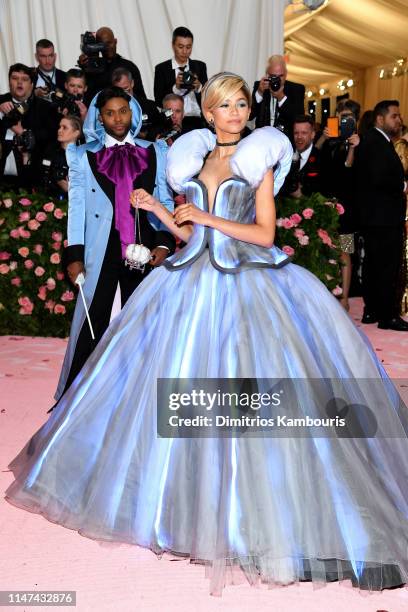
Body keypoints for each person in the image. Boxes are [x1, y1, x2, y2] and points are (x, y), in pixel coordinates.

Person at [5, 73, 408, 596]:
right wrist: (160, 214)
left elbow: (265, 234)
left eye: (243, 103)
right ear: (210, 113)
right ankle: (180, 505)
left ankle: (260, 514)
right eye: (226, 105)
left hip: (249, 283)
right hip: (190, 281)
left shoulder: (258, 159)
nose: (236, 112)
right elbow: (192, 233)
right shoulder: (190, 160)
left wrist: (208, 219)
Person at [53, 87, 176, 401]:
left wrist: (163, 244)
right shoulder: (83, 155)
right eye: (110, 112)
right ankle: (77, 397)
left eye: (124, 110)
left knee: (145, 321)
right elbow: (77, 207)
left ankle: (143, 395)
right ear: (99, 116)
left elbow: (165, 200)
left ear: (133, 112)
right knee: (93, 319)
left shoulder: (155, 151)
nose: (118, 118)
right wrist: (74, 254)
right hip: (102, 248)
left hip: (145, 249)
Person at [356, 99, 408, 330]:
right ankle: (388, 315)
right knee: (386, 266)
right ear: (380, 118)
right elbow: (379, 178)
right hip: (384, 217)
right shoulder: (377, 142)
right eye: (394, 116)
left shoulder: (376, 141)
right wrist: (402, 186)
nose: (399, 120)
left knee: (374, 264)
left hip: (375, 216)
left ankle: (373, 310)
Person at [318, 99, 361, 312]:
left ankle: (344, 297)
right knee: (326, 250)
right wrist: (323, 138)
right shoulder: (329, 142)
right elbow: (313, 158)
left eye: (348, 118)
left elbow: (349, 168)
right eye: (341, 117)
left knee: (346, 252)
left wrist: (354, 147)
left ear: (356, 120)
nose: (344, 121)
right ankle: (327, 294)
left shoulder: (360, 143)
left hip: (348, 212)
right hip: (326, 207)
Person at [0, 63, 59, 189]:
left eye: (25, 79)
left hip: (31, 180)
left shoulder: (46, 108)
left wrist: (25, 134)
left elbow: (51, 139)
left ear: (32, 85)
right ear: (9, 81)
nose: (19, 83)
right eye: (15, 78)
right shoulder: (0, 102)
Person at [154, 26, 208, 130]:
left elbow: (209, 98)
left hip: (196, 119)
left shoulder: (200, 66)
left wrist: (199, 87)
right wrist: (176, 88)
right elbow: (159, 100)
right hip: (172, 120)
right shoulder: (162, 69)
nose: (184, 51)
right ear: (173, 45)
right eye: (180, 47)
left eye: (188, 47)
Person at [79, 27, 146, 104]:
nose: (107, 47)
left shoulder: (129, 66)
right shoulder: (91, 68)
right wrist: (85, 68)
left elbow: (141, 98)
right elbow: (86, 98)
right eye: (102, 44)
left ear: (115, 41)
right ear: (97, 46)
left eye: (109, 43)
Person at [251, 54, 305, 140]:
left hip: (286, 141)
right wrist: (259, 93)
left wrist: (281, 98)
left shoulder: (296, 89)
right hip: (262, 140)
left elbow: (299, 120)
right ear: (267, 75)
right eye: (273, 76)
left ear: (286, 74)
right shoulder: (260, 86)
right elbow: (250, 116)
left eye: (281, 76)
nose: (278, 80)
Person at [41, 115, 82, 195]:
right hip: (46, 199)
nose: (59, 130)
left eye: (65, 128)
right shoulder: (50, 151)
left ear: (76, 133)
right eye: (59, 127)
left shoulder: (83, 157)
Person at [282, 114, 321, 197]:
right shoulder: (285, 157)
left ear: (313, 134)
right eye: (296, 133)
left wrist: (302, 197)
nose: (299, 137)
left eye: (304, 133)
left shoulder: (322, 158)